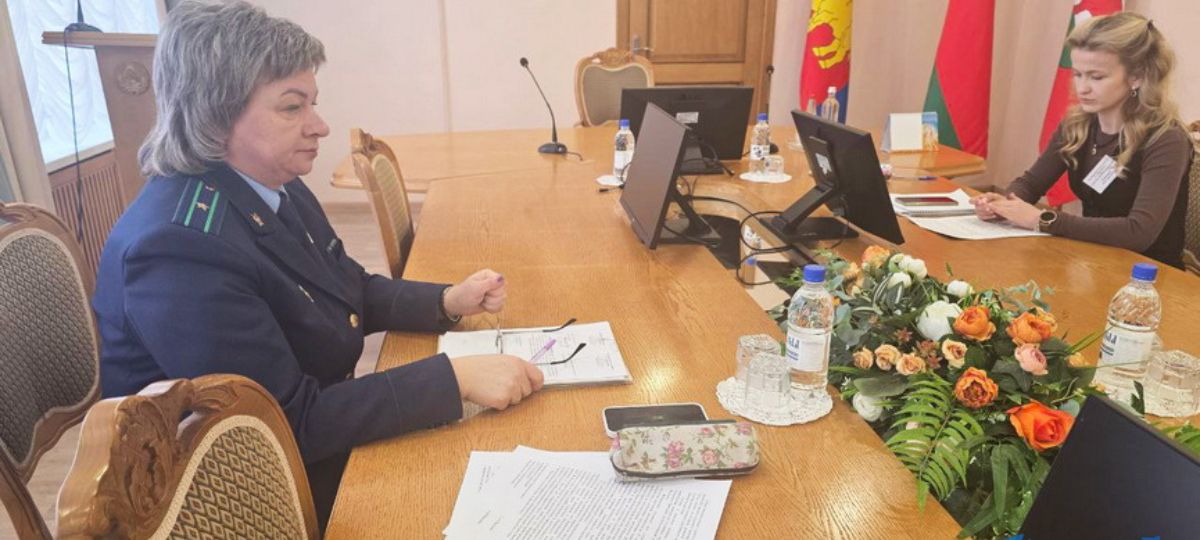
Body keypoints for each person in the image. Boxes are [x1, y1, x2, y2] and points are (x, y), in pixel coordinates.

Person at [91, 1, 543, 527]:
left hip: (303, 440)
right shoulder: (178, 249)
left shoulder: (269, 183)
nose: (320, 126)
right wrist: (454, 379)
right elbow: (285, 424)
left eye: (313, 104)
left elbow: (346, 287)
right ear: (216, 113)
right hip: (231, 498)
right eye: (292, 107)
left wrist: (446, 301)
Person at [972, 13, 1193, 268]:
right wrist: (1003, 205)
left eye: (1096, 77)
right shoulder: (1078, 124)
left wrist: (1042, 220)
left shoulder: (1166, 139)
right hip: (1090, 261)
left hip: (1149, 275)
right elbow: (1031, 184)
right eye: (1078, 74)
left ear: (1137, 77)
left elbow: (1139, 232)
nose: (1082, 88)